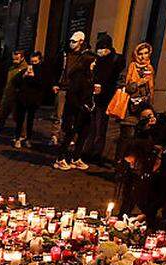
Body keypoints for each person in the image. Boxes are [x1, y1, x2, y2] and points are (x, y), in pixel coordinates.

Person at [105, 42, 156, 163]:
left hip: (143, 107)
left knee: (139, 138)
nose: (143, 56)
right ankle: (119, 162)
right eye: (140, 53)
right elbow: (124, 86)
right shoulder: (131, 67)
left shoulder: (150, 68)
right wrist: (140, 82)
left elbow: (151, 89)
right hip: (129, 107)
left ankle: (132, 162)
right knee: (126, 136)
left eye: (146, 53)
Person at [53, 36, 96, 171]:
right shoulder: (78, 75)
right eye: (93, 62)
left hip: (86, 110)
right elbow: (72, 95)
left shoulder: (90, 76)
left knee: (83, 133)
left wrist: (90, 104)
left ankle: (76, 157)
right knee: (70, 134)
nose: (95, 64)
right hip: (75, 110)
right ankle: (60, 159)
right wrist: (81, 105)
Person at [82, 33, 124, 163]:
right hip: (92, 97)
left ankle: (96, 153)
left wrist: (103, 87)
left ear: (108, 48)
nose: (100, 51)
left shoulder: (116, 59)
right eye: (98, 48)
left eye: (102, 48)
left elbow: (114, 79)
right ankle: (86, 151)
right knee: (90, 126)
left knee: (100, 127)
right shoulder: (96, 60)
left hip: (105, 97)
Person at [50, 33, 89, 145]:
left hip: (75, 89)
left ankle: (69, 136)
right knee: (58, 113)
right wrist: (55, 83)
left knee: (72, 115)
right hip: (63, 86)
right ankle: (54, 136)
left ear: (81, 42)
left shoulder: (84, 56)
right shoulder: (64, 54)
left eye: (74, 42)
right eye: (71, 41)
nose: (72, 44)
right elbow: (55, 69)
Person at [0, 50, 28, 142]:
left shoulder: (26, 68)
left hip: (17, 97)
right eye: (14, 58)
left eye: (17, 58)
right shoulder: (11, 68)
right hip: (7, 96)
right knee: (0, 116)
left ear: (22, 57)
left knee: (18, 117)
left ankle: (22, 135)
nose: (15, 60)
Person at [12, 52, 47, 148]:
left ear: (39, 60)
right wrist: (24, 76)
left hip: (33, 99)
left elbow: (42, 84)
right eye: (32, 61)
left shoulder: (42, 71)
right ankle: (18, 138)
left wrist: (33, 77)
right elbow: (15, 81)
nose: (33, 63)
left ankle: (28, 139)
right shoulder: (25, 70)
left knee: (30, 120)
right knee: (20, 119)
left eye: (35, 61)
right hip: (23, 98)